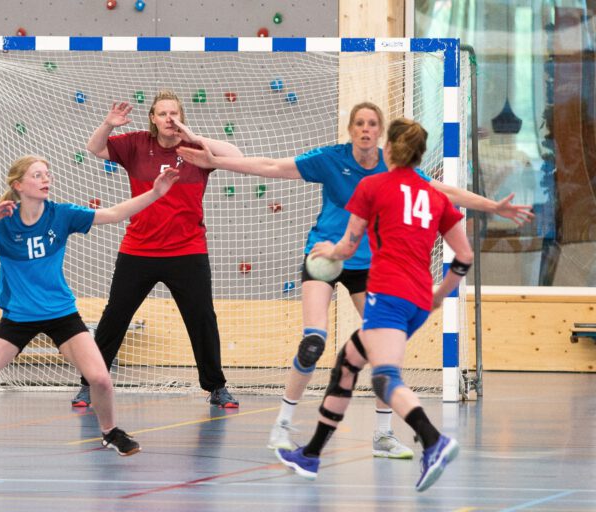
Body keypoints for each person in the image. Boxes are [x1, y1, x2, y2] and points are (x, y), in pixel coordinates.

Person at [177, 102, 533, 457]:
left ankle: (382, 435)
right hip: (325, 257)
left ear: (381, 133)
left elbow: (444, 192)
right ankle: (282, 426)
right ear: (351, 129)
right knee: (313, 341)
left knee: (382, 349)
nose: (365, 129)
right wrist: (217, 162)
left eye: (372, 124)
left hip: (368, 265)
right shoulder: (330, 159)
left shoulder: (391, 169)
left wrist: (493, 207)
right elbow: (272, 166)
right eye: (359, 123)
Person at [0, 155, 179, 467]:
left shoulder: (61, 214)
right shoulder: (2, 222)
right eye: (37, 175)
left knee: (99, 378)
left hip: (62, 314)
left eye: (47, 174)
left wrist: (155, 193)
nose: (46, 179)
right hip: (18, 317)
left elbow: (113, 214)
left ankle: (110, 432)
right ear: (18, 185)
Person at [275, 117, 473, 492]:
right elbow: (464, 255)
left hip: (388, 295)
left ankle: (433, 440)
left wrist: (326, 252)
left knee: (384, 378)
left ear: (391, 149)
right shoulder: (434, 195)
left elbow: (348, 247)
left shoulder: (373, 185)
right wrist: (439, 294)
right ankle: (311, 454)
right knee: (347, 365)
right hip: (417, 299)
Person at [71, 90, 245, 410]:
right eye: (163, 114)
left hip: (187, 251)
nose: (169, 119)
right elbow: (94, 148)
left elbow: (234, 152)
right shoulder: (136, 144)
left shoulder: (198, 150)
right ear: (153, 118)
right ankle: (90, 384)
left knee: (202, 318)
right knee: (115, 317)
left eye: (174, 114)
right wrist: (109, 124)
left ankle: (216, 387)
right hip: (139, 250)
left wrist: (192, 135)